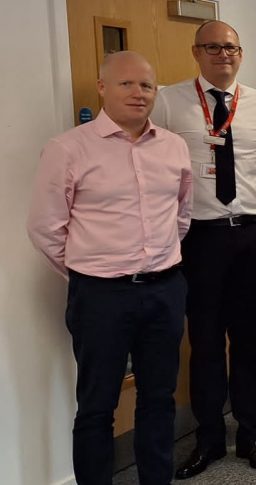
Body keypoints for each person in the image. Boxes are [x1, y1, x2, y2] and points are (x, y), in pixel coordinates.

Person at [27, 51, 193, 485]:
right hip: (100, 296)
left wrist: (155, 261)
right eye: (127, 84)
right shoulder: (68, 148)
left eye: (147, 85)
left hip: (164, 290)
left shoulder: (174, 146)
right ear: (102, 87)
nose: (139, 94)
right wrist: (91, 270)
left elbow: (181, 215)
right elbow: (46, 228)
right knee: (97, 405)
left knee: (158, 398)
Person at [151, 21, 256, 479]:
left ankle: (250, 432)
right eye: (213, 47)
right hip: (199, 237)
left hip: (253, 233)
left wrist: (244, 206)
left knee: (247, 338)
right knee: (205, 341)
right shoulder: (168, 101)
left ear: (240, 53)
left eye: (230, 47)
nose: (222, 54)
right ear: (196, 52)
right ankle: (209, 439)